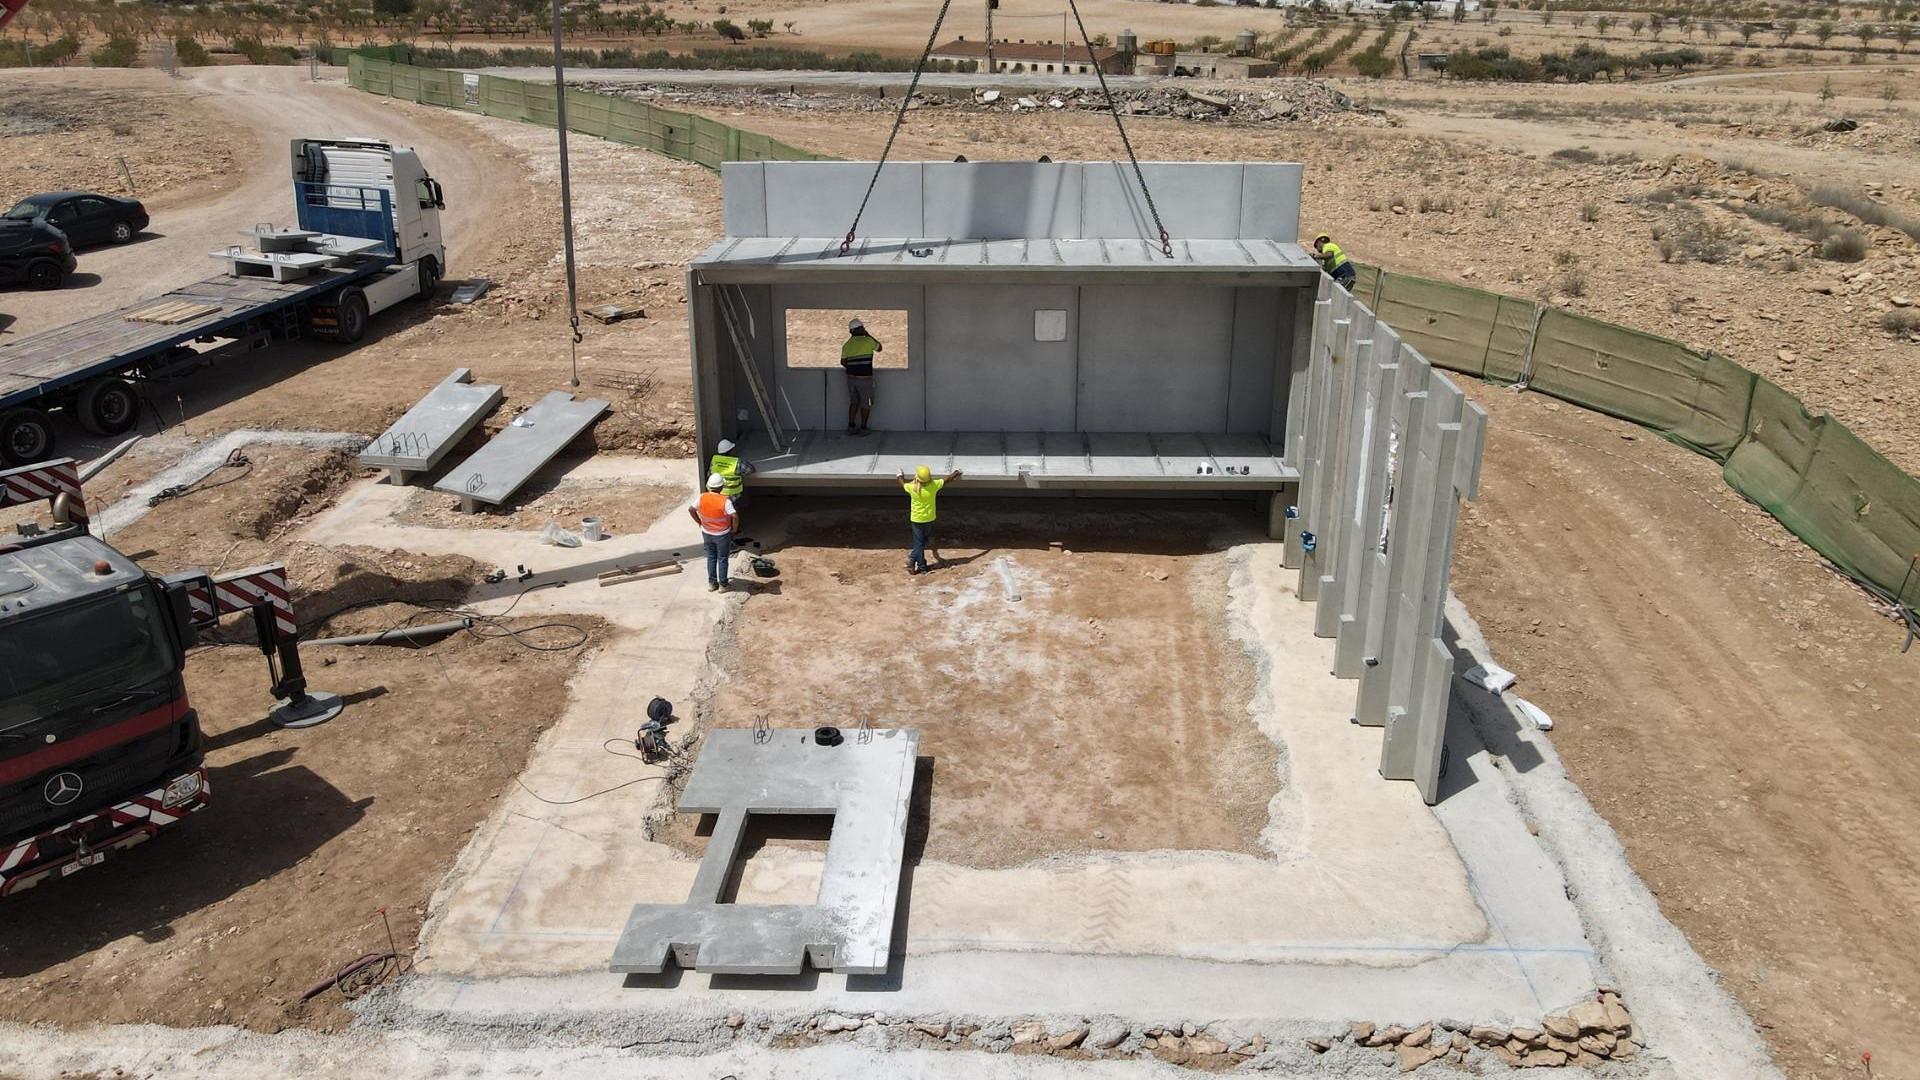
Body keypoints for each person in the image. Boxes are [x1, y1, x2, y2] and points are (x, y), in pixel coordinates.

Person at [896, 464, 962, 575]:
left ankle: (916, 563)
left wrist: (899, 475)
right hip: (929, 519)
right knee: (923, 541)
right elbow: (947, 480)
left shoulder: (912, 488)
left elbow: (902, 484)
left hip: (916, 519)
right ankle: (920, 565)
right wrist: (956, 472)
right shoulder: (934, 485)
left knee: (919, 543)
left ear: (917, 477)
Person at [687, 473, 738, 591]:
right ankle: (723, 585)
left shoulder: (702, 497)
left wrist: (699, 522)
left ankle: (712, 583)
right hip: (722, 535)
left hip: (707, 533)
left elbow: (691, 509)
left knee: (711, 557)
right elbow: (734, 516)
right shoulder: (725, 500)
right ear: (721, 487)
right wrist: (734, 529)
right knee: (722, 558)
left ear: (709, 486)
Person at [840, 317, 881, 436]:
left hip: (851, 378)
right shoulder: (868, 341)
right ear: (861, 329)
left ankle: (851, 427)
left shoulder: (846, 345)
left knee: (854, 402)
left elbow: (843, 362)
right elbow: (880, 348)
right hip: (865, 379)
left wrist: (853, 366)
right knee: (866, 403)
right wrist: (868, 335)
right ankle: (863, 428)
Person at [708, 438, 753, 519]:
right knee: (733, 515)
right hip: (731, 497)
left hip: (715, 494)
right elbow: (750, 470)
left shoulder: (714, 460)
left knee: (719, 515)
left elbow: (709, 474)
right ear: (731, 451)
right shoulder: (736, 462)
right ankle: (733, 529)